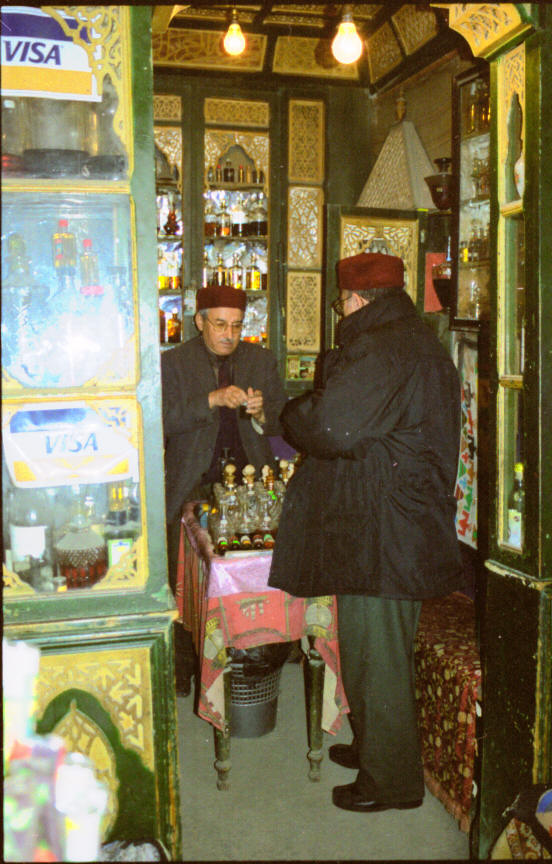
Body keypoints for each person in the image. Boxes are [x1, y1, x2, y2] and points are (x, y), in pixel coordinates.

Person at [269, 251, 464, 813]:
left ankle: (394, 782)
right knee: (369, 648)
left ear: (355, 301)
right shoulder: (408, 340)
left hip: (387, 530)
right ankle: (377, 748)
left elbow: (330, 425)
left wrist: (292, 413)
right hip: (388, 522)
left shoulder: (383, 349)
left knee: (377, 655)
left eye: (341, 303)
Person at [162, 283, 287, 694]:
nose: (229, 335)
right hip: (193, 481)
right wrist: (211, 400)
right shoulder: (174, 363)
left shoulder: (260, 359)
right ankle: (185, 666)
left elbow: (281, 421)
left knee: (257, 570)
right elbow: (161, 421)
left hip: (249, 481)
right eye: (219, 325)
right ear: (200, 323)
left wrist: (263, 410)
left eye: (236, 325)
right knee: (186, 578)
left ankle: (256, 658)